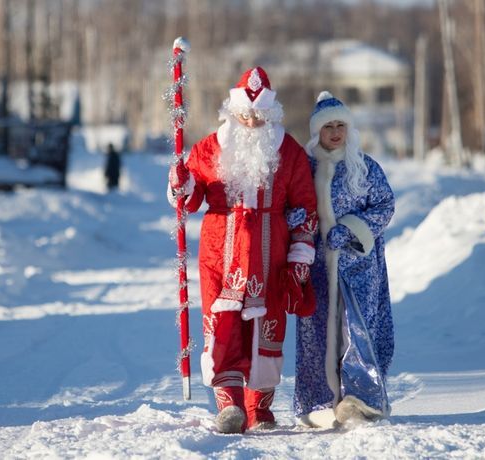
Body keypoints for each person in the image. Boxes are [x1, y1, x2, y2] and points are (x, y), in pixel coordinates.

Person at [168, 67, 318, 434]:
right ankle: (230, 406)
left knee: (268, 325)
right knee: (224, 327)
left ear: (271, 115)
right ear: (232, 112)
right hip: (221, 251)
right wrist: (182, 185)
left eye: (259, 115)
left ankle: (259, 408)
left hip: (272, 252)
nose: (251, 121)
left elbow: (305, 207)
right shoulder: (207, 149)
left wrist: (300, 254)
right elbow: (189, 201)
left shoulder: (289, 151)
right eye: (245, 114)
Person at [294, 91, 395, 428]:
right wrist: (294, 217)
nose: (336, 132)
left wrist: (351, 230)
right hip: (317, 267)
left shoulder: (364, 166)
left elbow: (384, 207)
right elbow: (288, 201)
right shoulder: (303, 167)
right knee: (316, 331)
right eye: (328, 127)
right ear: (316, 132)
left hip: (358, 268)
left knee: (357, 330)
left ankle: (360, 399)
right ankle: (318, 402)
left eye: (341, 125)